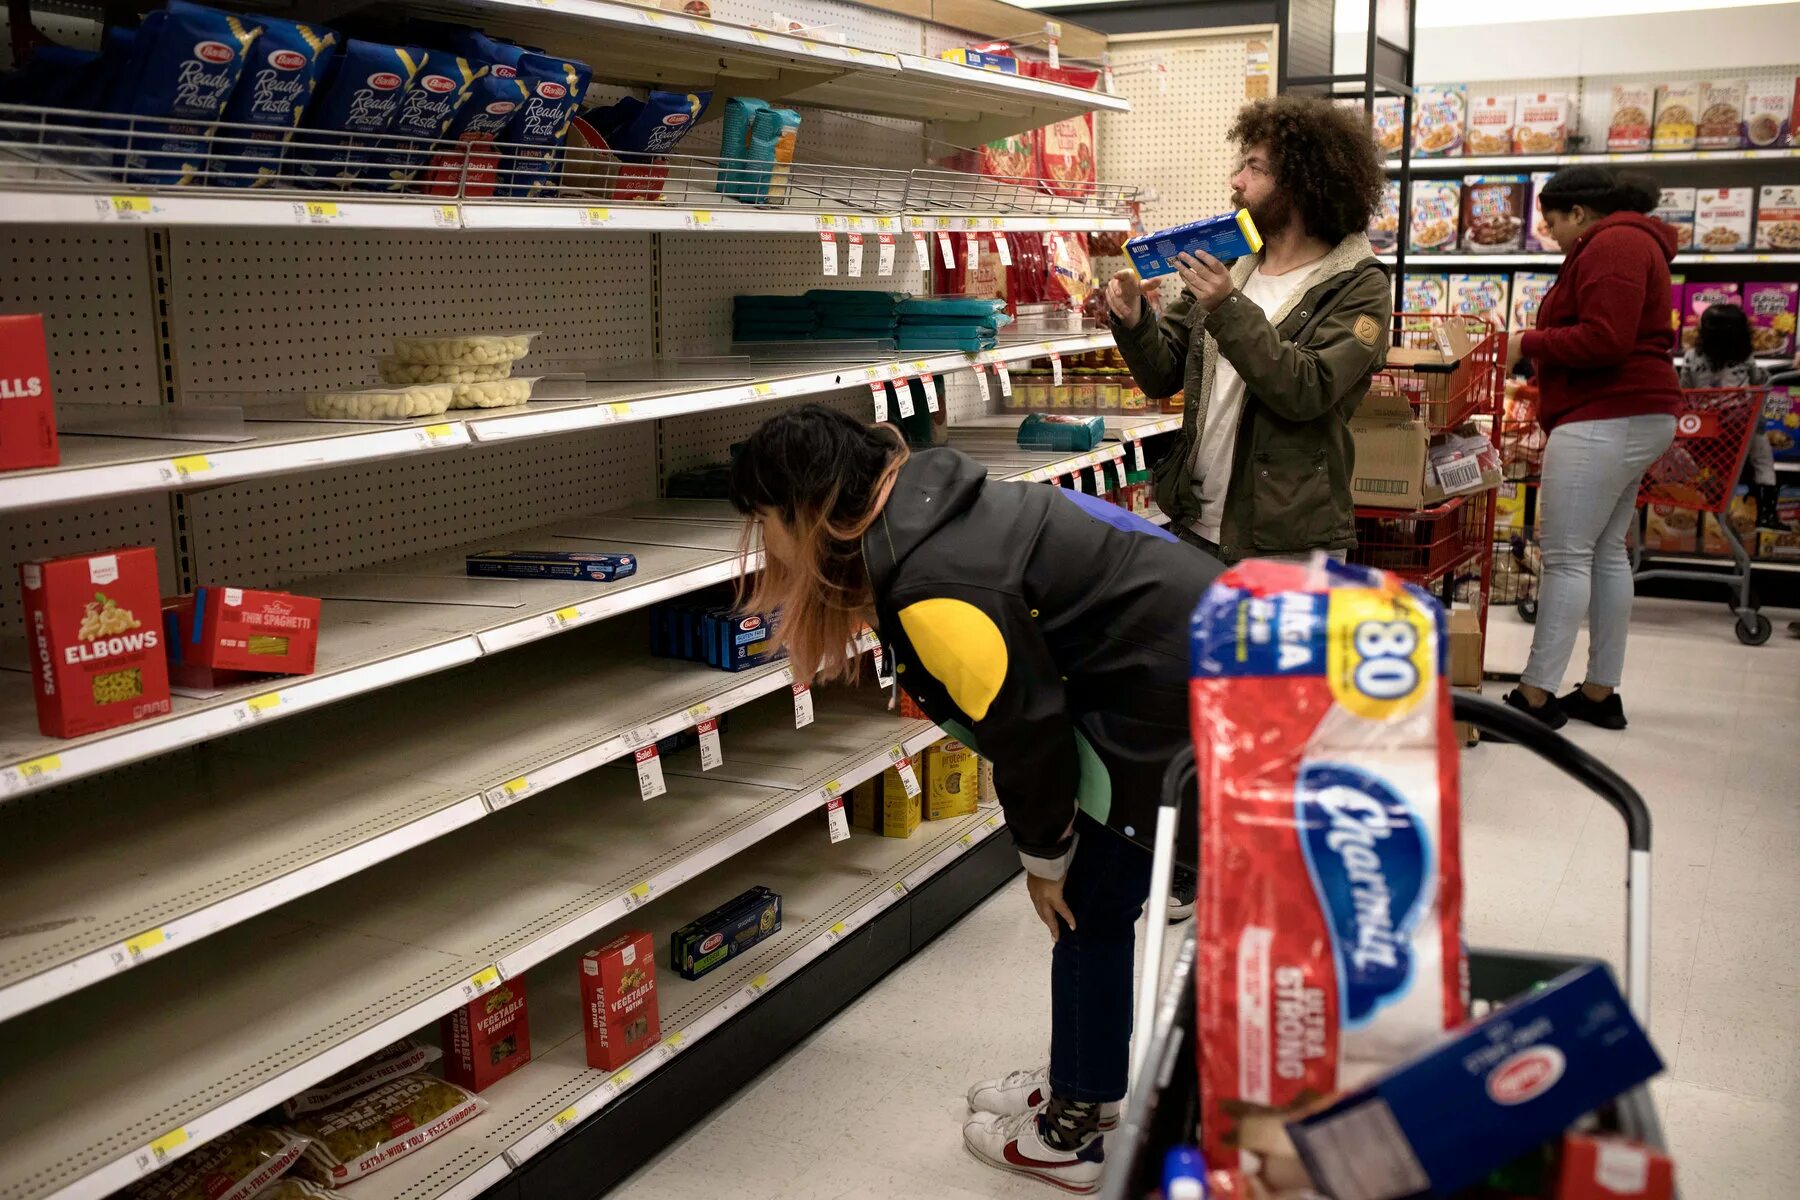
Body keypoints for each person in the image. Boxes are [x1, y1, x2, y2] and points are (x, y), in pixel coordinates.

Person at [728, 405, 1223, 1195]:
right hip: (1186, 677)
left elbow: (1030, 738)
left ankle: (1078, 1126)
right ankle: (1080, 1076)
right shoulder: (931, 506)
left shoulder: (934, 586)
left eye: (765, 519)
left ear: (808, 511)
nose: (764, 542)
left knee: (1087, 909)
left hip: (1192, 710)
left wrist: (1043, 857)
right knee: (1093, 909)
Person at [1106, 94, 1392, 563]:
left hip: (1287, 543)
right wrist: (1135, 319)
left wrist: (1226, 305)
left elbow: (1307, 390)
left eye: (1255, 169)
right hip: (1196, 522)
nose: (1236, 181)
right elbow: (1163, 373)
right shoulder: (1234, 259)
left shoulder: (1359, 285)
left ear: (1301, 182)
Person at [1508, 166, 1680, 731]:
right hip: (1628, 413)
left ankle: (1536, 697)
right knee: (1604, 551)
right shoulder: (1629, 241)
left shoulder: (1615, 244)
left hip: (1606, 414)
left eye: (1553, 221)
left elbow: (1607, 337)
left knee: (1565, 556)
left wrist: (1524, 343)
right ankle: (1601, 693)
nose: (1550, 233)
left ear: (1579, 213)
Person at [1677, 302, 1779, 529]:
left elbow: (1685, 390)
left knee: (1698, 464)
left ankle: (1711, 502)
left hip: (1706, 427)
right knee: (1762, 459)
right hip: (1741, 427)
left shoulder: (1692, 356)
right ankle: (1767, 514)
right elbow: (1759, 383)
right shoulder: (1745, 357)